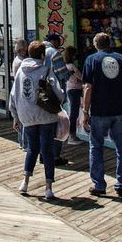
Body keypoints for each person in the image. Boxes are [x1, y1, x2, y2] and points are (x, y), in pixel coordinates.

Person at [82, 32, 122, 197]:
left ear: (95, 44)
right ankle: (121, 184)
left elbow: (88, 88)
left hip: (99, 110)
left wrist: (85, 111)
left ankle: (99, 185)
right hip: (120, 110)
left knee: (96, 146)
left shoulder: (91, 60)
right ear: (109, 43)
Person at [9, 40, 64, 200]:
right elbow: (59, 93)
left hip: (27, 116)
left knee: (31, 149)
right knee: (47, 151)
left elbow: (13, 95)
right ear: (42, 55)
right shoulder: (46, 70)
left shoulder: (20, 71)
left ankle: (25, 182)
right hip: (46, 116)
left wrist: (15, 116)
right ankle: (48, 188)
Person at [43, 32, 70, 165]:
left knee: (46, 126)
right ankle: (55, 156)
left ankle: (44, 154)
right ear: (54, 41)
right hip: (55, 94)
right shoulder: (54, 53)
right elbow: (63, 74)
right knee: (59, 126)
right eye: (59, 42)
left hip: (42, 95)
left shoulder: (39, 51)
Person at [64, 46, 83, 145]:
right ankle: (72, 136)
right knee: (74, 114)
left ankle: (71, 135)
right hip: (74, 90)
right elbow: (81, 76)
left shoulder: (66, 66)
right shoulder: (71, 66)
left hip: (71, 89)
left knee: (73, 113)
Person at [12, 39, 28, 150]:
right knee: (24, 120)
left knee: (20, 118)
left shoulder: (16, 60)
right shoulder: (21, 62)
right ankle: (24, 143)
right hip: (22, 91)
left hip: (17, 91)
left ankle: (22, 142)